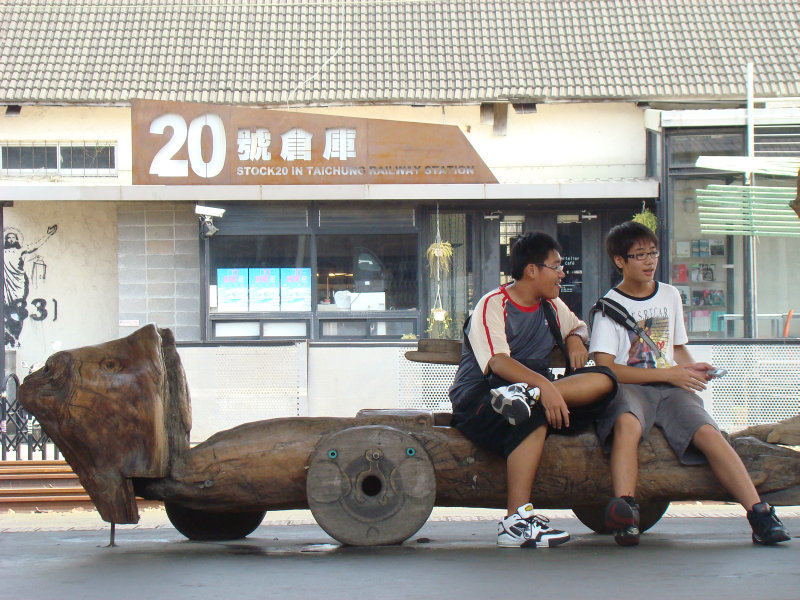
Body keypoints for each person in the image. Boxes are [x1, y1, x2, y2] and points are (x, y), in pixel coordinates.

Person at [588, 221, 790, 547]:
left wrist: (690, 367)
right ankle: (626, 511)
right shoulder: (609, 307)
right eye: (639, 255)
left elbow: (675, 348)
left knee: (709, 433)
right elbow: (607, 369)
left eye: (652, 253)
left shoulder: (669, 294)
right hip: (631, 388)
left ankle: (759, 513)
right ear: (619, 261)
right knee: (626, 424)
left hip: (671, 388)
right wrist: (670, 374)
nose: (649, 261)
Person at [449, 232, 617, 548]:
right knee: (528, 412)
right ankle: (516, 521)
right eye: (556, 266)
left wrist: (574, 339)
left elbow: (579, 325)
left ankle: (531, 399)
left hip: (534, 396)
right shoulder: (493, 304)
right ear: (532, 271)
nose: (562, 273)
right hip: (481, 402)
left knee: (606, 380)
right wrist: (544, 386)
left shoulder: (551, 306)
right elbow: (497, 362)